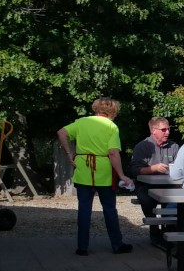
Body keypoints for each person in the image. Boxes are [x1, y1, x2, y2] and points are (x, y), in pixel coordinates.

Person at [56, 98, 133, 256]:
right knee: (109, 209)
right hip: (103, 171)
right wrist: (121, 174)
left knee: (84, 209)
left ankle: (82, 247)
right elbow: (113, 152)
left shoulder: (82, 122)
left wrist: (69, 153)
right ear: (113, 111)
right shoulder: (111, 126)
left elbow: (61, 133)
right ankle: (117, 245)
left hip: (83, 170)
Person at [129, 117, 179, 237]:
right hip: (147, 186)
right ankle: (154, 228)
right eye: (164, 130)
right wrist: (153, 168)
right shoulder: (142, 146)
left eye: (168, 129)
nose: (168, 132)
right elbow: (134, 171)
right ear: (153, 130)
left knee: (176, 199)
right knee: (145, 197)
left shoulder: (174, 147)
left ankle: (169, 229)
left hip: (169, 185)